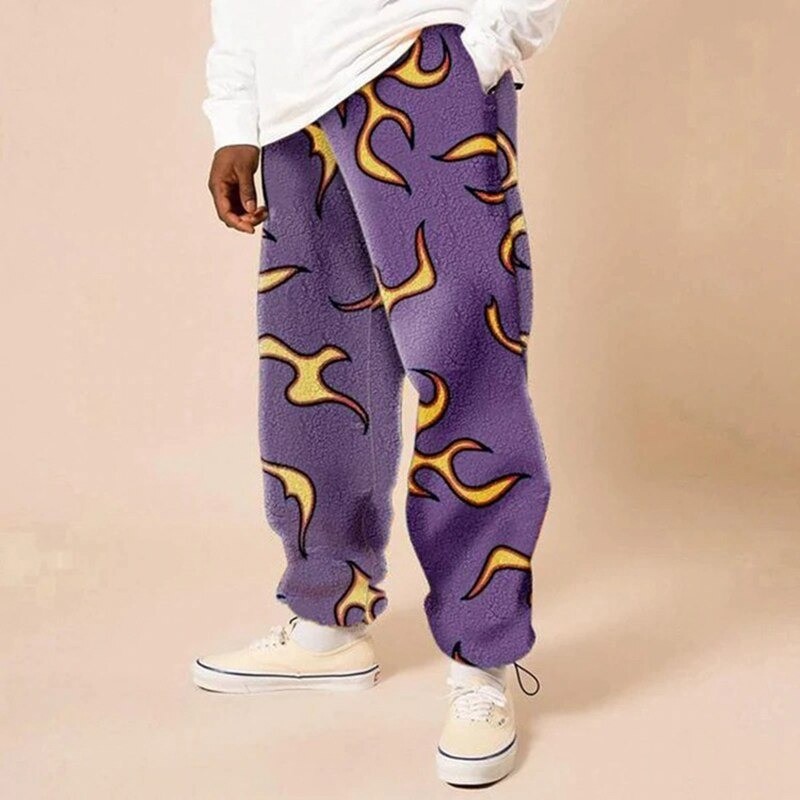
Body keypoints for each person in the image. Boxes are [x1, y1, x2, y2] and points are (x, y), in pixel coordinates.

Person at [194, 0, 568, 786]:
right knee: (318, 369)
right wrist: (237, 113)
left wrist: (486, 48)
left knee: (466, 361)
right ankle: (326, 615)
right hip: (294, 106)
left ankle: (481, 660)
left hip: (418, 65)